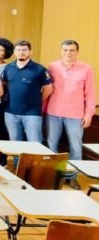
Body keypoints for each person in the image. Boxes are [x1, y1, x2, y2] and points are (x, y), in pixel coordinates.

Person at [45, 39, 96, 188]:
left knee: (75, 147)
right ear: (61, 51)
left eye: (72, 50)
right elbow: (47, 89)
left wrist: (88, 115)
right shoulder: (52, 66)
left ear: (77, 52)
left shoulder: (86, 69)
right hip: (53, 112)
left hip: (75, 114)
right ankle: (52, 175)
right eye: (65, 50)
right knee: (51, 145)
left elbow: (91, 94)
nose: (68, 53)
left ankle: (72, 177)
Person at [1, 41, 52, 143]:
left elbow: (48, 89)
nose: (21, 52)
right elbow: (3, 85)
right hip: (11, 113)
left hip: (32, 113)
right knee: (15, 144)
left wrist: (37, 101)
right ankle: (17, 160)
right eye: (18, 50)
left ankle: (36, 160)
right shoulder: (8, 68)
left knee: (34, 143)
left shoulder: (40, 69)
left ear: (30, 52)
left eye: (24, 50)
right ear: (15, 52)